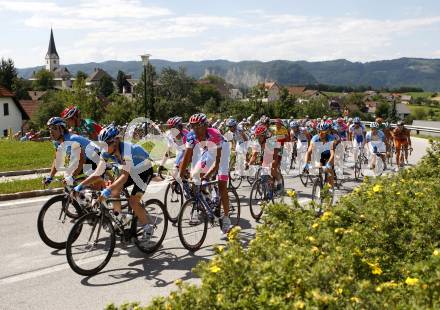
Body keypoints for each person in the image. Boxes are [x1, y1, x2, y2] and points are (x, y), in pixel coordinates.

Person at [73, 124, 155, 240]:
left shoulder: (127, 149)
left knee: (133, 201)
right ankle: (120, 217)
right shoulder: (107, 151)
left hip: (144, 170)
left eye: (106, 145)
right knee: (114, 190)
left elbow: (124, 176)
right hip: (131, 170)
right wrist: (80, 186)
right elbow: (98, 172)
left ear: (115, 142)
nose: (104, 149)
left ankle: (148, 227)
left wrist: (106, 191)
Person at [177, 113, 232, 236]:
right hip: (207, 150)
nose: (195, 129)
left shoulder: (214, 134)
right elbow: (187, 157)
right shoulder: (191, 135)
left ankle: (227, 218)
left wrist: (207, 175)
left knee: (222, 183)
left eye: (198, 126)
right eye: (192, 126)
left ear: (205, 125)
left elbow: (217, 162)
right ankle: (207, 199)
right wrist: (179, 175)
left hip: (222, 151)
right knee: (195, 176)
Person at [42, 117, 101, 188]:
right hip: (86, 158)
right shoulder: (58, 142)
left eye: (54, 128)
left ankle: (107, 192)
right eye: (50, 129)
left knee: (89, 180)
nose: (51, 131)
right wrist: (50, 176)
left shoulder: (72, 139)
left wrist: (73, 176)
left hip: (96, 155)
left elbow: (81, 160)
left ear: (62, 129)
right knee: (67, 176)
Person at [246, 124, 283, 193]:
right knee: (262, 169)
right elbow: (254, 156)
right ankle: (265, 192)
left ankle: (279, 181)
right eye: (257, 136)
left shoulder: (271, 141)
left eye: (260, 137)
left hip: (276, 151)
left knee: (272, 167)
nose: (258, 138)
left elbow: (275, 155)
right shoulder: (257, 142)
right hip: (266, 153)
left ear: (265, 136)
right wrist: (249, 164)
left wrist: (273, 163)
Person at [303, 122, 337, 187]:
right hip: (319, 155)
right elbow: (309, 152)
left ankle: (331, 186)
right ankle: (320, 180)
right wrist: (306, 164)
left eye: (323, 132)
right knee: (318, 168)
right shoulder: (315, 138)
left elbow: (332, 153)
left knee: (329, 170)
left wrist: (328, 164)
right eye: (319, 131)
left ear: (326, 132)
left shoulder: (331, 138)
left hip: (329, 155)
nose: (320, 133)